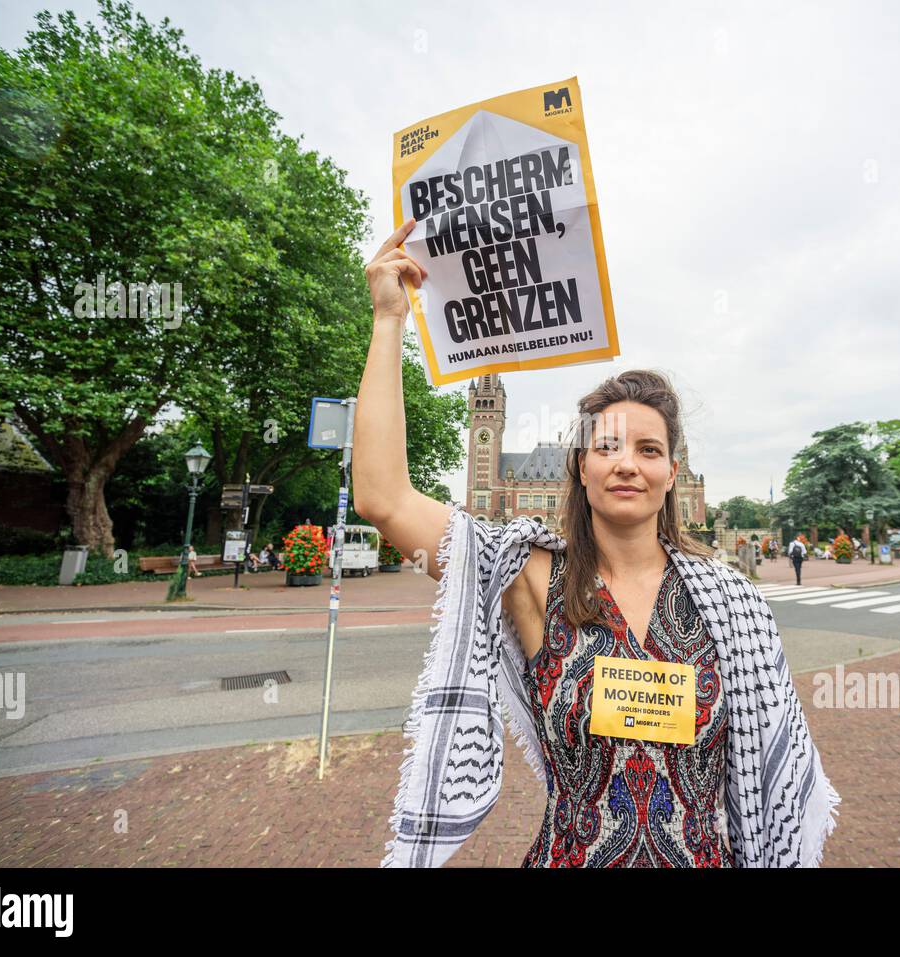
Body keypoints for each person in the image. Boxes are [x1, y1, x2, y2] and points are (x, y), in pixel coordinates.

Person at [351, 220, 838, 869]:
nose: (627, 463)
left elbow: (776, 784)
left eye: (649, 449)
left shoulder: (732, 604)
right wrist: (389, 319)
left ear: (672, 473)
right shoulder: (529, 576)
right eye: (607, 445)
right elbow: (382, 498)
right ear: (580, 466)